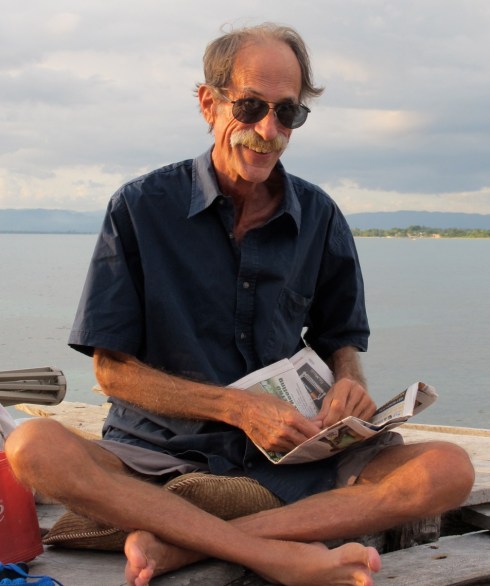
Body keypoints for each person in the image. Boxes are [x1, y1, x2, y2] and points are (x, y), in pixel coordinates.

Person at [6, 23, 474, 586]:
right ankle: (278, 553)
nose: (268, 131)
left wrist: (349, 384)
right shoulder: (139, 207)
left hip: (293, 457)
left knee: (448, 469)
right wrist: (238, 408)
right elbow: (111, 372)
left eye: (288, 113)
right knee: (33, 446)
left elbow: (340, 340)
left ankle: (186, 545)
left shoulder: (321, 216)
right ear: (209, 103)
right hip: (157, 453)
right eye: (250, 107)